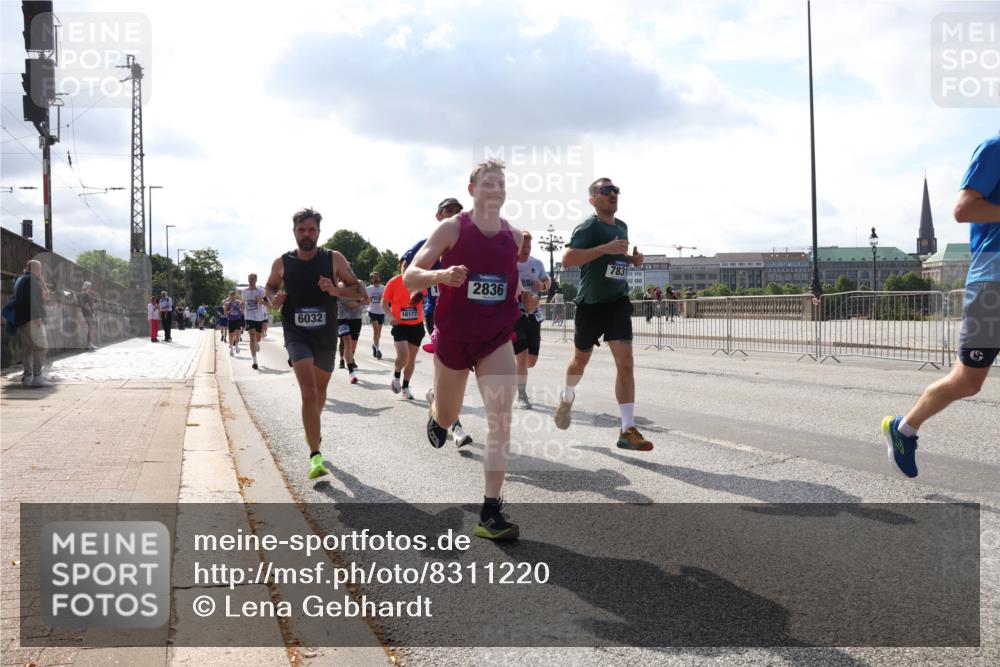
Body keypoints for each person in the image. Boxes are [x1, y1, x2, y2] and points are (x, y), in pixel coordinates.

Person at [405, 159, 523, 540]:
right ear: (472, 190)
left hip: (495, 337)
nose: (495, 189)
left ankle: (490, 512)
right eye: (487, 184)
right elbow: (409, 276)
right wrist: (440, 275)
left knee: (501, 419)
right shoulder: (452, 228)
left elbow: (510, 283)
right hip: (454, 337)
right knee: (448, 414)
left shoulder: (514, 236)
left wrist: (527, 297)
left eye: (500, 184)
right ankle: (437, 412)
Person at [882, 135, 999, 478]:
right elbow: (964, 209)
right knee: (967, 382)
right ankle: (903, 428)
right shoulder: (995, 150)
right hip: (993, 285)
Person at [553, 177, 653, 452]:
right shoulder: (589, 226)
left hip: (617, 302)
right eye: (606, 191)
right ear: (593, 199)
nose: (613, 194)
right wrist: (604, 249)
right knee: (579, 363)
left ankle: (627, 429)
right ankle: (567, 396)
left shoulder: (622, 226)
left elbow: (616, 261)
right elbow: (568, 259)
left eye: (616, 190)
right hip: (590, 305)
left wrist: (632, 261)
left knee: (627, 363)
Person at [265, 207, 364, 480]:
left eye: (311, 230)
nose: (306, 235)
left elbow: (360, 292)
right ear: (294, 232)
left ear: (318, 232)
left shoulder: (333, 259)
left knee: (320, 394)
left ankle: (313, 429)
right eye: (301, 230)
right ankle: (315, 456)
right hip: (296, 333)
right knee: (308, 392)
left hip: (325, 335)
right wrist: (274, 298)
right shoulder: (282, 263)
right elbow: (270, 288)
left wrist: (335, 290)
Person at [402, 198, 474, 446]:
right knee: (446, 366)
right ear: (438, 215)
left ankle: (436, 397)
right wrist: (417, 290)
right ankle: (455, 427)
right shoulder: (428, 244)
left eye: (458, 211)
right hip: (438, 315)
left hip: (467, 317)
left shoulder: (469, 244)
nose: (455, 214)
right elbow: (407, 268)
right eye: (449, 211)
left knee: (459, 372)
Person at [513, 231, 551, 409]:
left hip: (534, 317)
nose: (526, 249)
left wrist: (543, 285)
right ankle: (522, 395)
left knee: (531, 361)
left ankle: (515, 371)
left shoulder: (537, 263)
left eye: (529, 246)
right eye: (523, 246)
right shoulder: (510, 264)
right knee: (521, 358)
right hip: (515, 316)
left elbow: (547, 281)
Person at [383, 260, 425, 400]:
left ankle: (406, 387)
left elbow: (427, 300)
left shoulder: (421, 281)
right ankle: (396, 375)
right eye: (404, 266)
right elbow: (384, 303)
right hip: (399, 324)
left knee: (411, 359)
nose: (407, 268)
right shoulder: (394, 282)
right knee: (403, 355)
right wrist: (390, 316)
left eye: (410, 266)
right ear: (400, 266)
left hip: (417, 325)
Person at [14, 260, 52, 387]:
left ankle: (28, 377)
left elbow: (41, 298)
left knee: (28, 349)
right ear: (37, 269)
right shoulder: (32, 281)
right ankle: (37, 377)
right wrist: (37, 317)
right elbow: (34, 300)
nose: (41, 272)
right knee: (42, 347)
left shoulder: (21, 280)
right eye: (40, 269)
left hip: (22, 320)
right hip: (32, 320)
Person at [337, 277, 369, 384]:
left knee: (352, 346)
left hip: (356, 318)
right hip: (342, 318)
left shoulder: (360, 283)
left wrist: (357, 303)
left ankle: (349, 360)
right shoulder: (338, 286)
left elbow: (367, 300)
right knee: (347, 342)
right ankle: (351, 373)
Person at [243, 274, 268, 370]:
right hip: (249, 316)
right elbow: (244, 302)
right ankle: (254, 361)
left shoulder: (261, 291)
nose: (251, 280)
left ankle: (257, 343)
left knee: (258, 338)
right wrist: (242, 305)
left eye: (252, 279)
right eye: (249, 279)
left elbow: (268, 304)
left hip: (259, 317)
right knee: (252, 337)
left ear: (256, 280)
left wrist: (260, 301)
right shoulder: (244, 291)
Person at [366, 272, 386, 358]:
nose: (376, 279)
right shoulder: (369, 289)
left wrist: (383, 299)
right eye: (374, 278)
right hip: (372, 311)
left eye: (377, 277)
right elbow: (366, 300)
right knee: (376, 330)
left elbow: (387, 299)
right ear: (371, 279)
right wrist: (369, 300)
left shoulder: (384, 288)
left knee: (379, 333)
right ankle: (378, 350)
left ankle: (374, 346)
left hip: (381, 312)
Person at [78, 281, 98, 351]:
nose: (90, 288)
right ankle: (89, 345)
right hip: (88, 314)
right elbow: (86, 305)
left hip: (85, 313)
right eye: (89, 287)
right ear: (88, 287)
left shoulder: (81, 294)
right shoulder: (85, 294)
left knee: (90, 329)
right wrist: (91, 313)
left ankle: (89, 344)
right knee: (91, 329)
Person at [224, 292, 243, 356]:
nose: (232, 297)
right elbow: (225, 314)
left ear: (235, 296)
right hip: (231, 320)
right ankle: (231, 349)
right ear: (229, 296)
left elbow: (242, 310)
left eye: (233, 295)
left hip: (237, 320)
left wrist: (241, 310)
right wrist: (229, 311)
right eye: (231, 295)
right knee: (232, 336)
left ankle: (237, 346)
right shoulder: (227, 304)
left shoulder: (238, 302)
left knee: (238, 334)